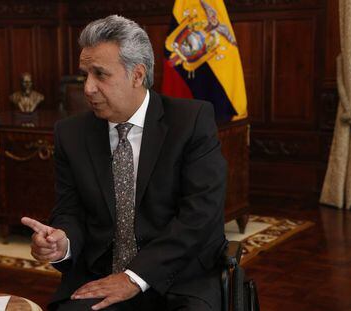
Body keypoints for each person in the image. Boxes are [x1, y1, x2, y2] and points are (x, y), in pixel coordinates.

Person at [21, 15, 227, 311]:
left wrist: (134, 277)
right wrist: (61, 242)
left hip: (177, 277)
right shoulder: (70, 133)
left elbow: (201, 216)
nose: (88, 87)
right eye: (84, 75)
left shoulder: (191, 121)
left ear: (137, 75)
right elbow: (71, 210)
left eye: (100, 74)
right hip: (101, 274)